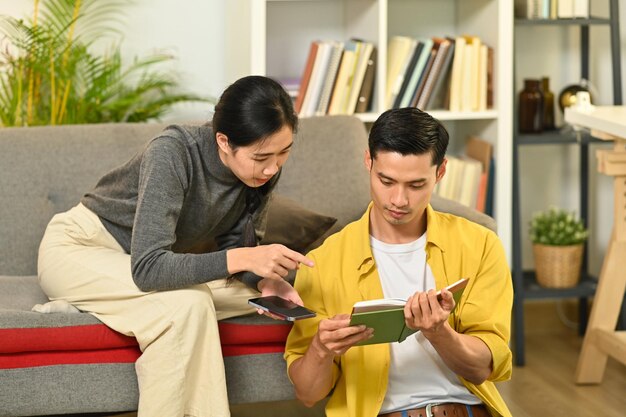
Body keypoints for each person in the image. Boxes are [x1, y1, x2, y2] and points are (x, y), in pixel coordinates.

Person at [37, 75, 313, 417]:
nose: (272, 167)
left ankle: (100, 306)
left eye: (284, 152)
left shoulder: (264, 170)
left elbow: (235, 241)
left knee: (278, 296)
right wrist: (243, 257)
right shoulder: (174, 152)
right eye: (261, 157)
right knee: (188, 303)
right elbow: (149, 267)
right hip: (80, 248)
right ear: (224, 141)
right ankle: (93, 297)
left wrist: (264, 281)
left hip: (136, 268)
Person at [285, 107, 513, 417]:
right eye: (386, 180)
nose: (398, 200)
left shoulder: (480, 245)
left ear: (441, 172)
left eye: (416, 185)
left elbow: (481, 369)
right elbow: (309, 394)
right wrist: (320, 350)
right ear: (368, 161)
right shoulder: (323, 263)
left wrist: (439, 333)